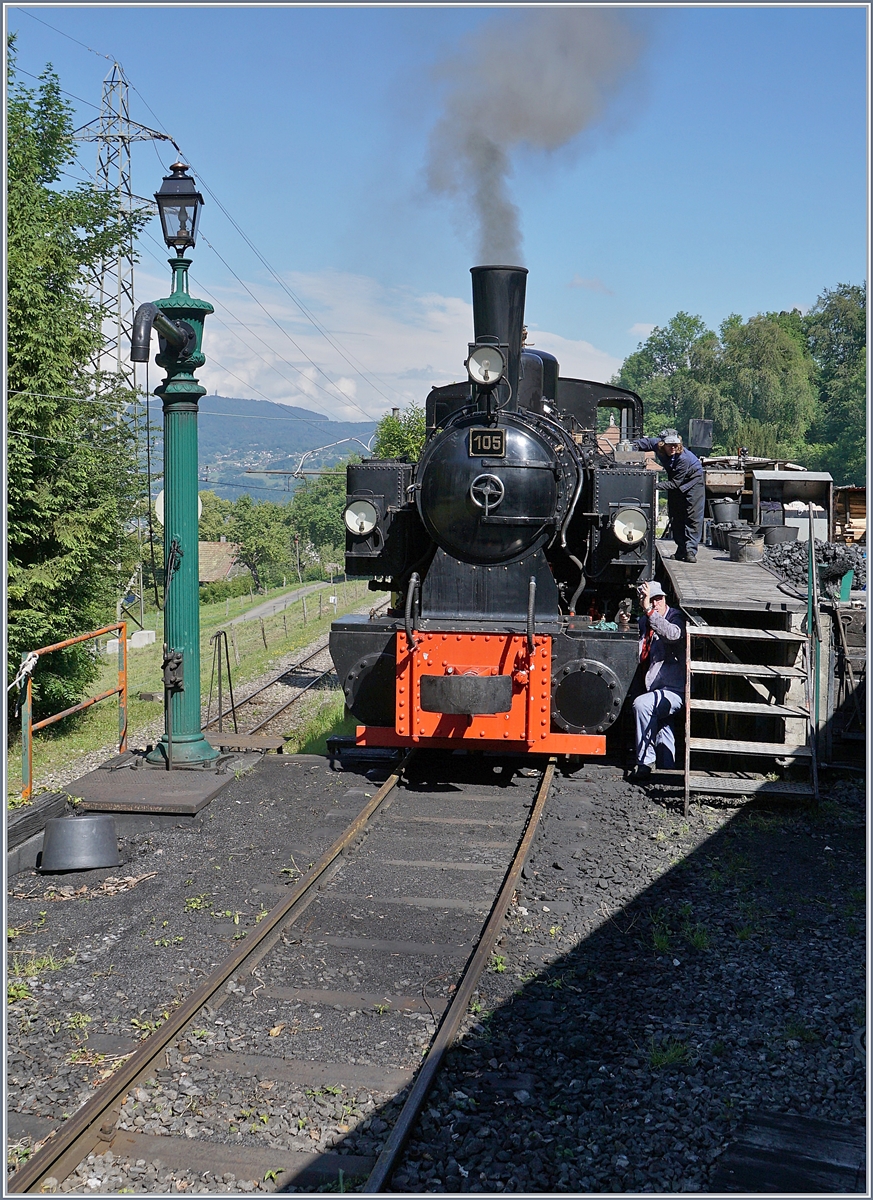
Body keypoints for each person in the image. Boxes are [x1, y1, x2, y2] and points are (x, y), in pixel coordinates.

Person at [629, 580, 685, 781]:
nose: (655, 603)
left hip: (674, 689)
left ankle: (645, 762)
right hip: (655, 686)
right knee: (663, 723)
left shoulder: (675, 617)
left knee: (642, 705)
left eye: (658, 599)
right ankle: (667, 769)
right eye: (650, 600)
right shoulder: (644, 622)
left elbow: (674, 634)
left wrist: (649, 612)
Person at [631, 428, 705, 563]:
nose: (673, 448)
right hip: (675, 479)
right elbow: (641, 443)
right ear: (662, 444)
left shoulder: (683, 458)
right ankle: (681, 550)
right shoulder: (656, 444)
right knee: (676, 516)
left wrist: (652, 485)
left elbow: (675, 484)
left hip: (693, 482)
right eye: (670, 445)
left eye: (675, 445)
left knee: (692, 517)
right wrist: (630, 449)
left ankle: (690, 551)